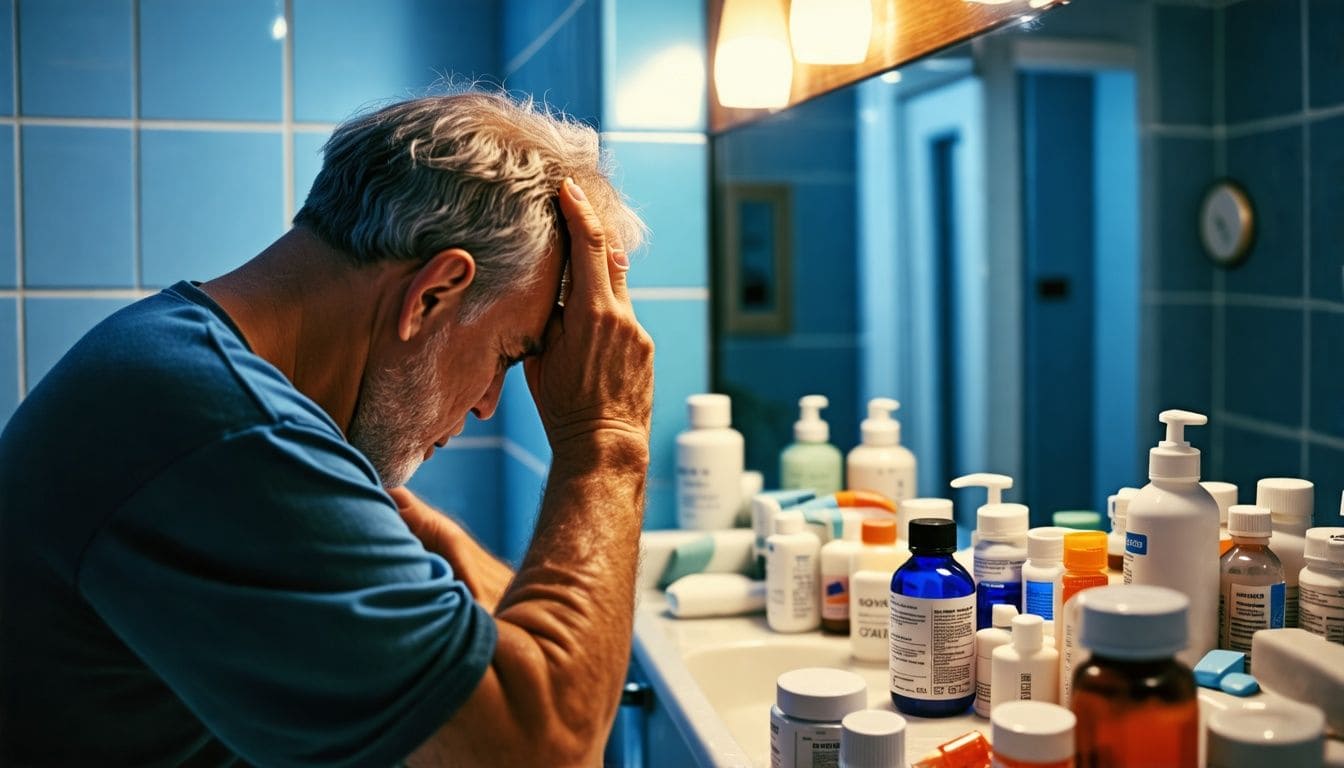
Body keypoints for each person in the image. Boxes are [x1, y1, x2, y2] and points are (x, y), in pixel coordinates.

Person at [0, 91, 655, 767]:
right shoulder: (222, 432)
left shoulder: (180, 363)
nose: (490, 403)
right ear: (432, 296)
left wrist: (452, 568)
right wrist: (607, 440)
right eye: (508, 354)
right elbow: (542, 750)